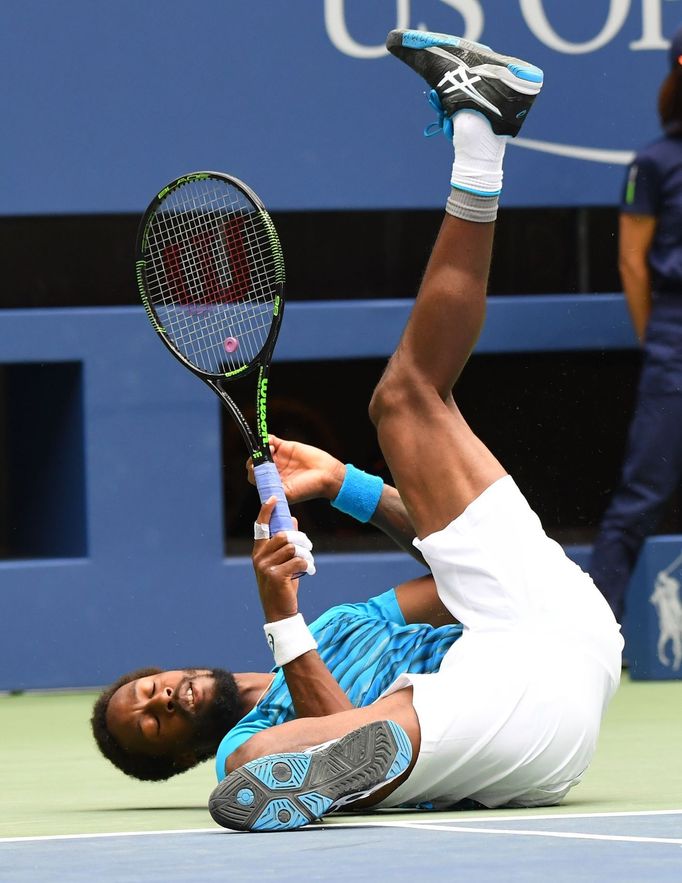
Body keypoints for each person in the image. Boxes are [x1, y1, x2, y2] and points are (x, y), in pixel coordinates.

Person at [205, 30, 624, 833]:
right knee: (256, 770)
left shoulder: (351, 623)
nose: (166, 696)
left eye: (150, 687)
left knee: (406, 402)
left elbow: (447, 560)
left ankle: (481, 131)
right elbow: (319, 724)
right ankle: (480, 134)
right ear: (170, 749)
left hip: (550, 653)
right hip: (496, 708)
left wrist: (343, 484)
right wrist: (279, 613)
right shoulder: (238, 739)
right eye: (148, 720)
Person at [589, 25, 682, 624]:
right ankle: (594, 635)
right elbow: (632, 260)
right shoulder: (652, 162)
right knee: (641, 496)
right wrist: (658, 340)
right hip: (674, 341)